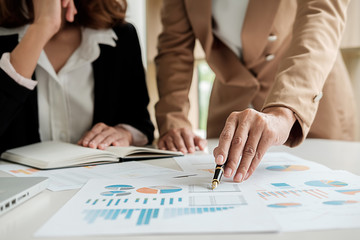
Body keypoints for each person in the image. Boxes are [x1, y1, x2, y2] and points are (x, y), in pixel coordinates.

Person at [155, 0, 358, 182]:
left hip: (306, 95)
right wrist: (175, 118)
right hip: (231, 106)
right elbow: (175, 48)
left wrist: (284, 109)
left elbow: (321, 15)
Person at [0, 0, 154, 154]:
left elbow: (141, 123)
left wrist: (123, 133)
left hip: (99, 175)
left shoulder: (121, 35)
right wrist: (44, 25)